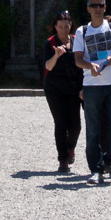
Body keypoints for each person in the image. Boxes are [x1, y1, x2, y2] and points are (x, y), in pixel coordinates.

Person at [74, 0, 111, 184]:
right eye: (94, 5)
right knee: (93, 130)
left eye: (101, 5)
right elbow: (78, 59)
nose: (98, 8)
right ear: (88, 8)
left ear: (105, 7)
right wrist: (91, 67)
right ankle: (95, 170)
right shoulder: (82, 31)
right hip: (92, 85)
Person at [37, 10, 82, 173]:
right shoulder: (50, 43)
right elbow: (48, 66)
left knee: (76, 125)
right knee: (61, 123)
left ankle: (70, 147)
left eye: (67, 26)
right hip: (54, 87)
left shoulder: (78, 41)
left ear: (71, 25)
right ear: (55, 27)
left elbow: (82, 65)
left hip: (73, 87)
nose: (64, 29)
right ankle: (63, 159)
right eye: (60, 26)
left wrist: (83, 88)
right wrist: (56, 55)